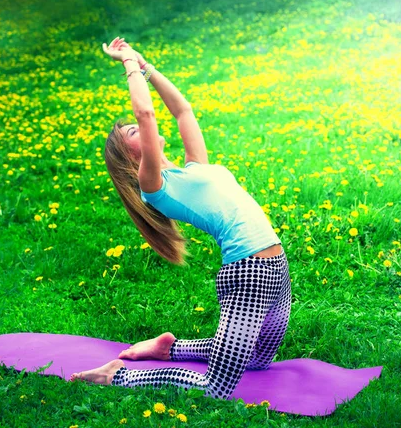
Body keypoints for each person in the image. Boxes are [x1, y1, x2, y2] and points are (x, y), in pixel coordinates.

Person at [70, 37, 292, 400]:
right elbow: (147, 113)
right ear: (131, 158)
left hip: (277, 265)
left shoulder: (195, 169)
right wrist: (127, 62)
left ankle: (168, 349)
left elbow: (183, 111)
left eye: (135, 127)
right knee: (218, 389)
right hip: (248, 272)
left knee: (259, 361)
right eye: (132, 134)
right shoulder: (154, 186)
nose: (142, 128)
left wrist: (147, 68)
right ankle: (118, 375)